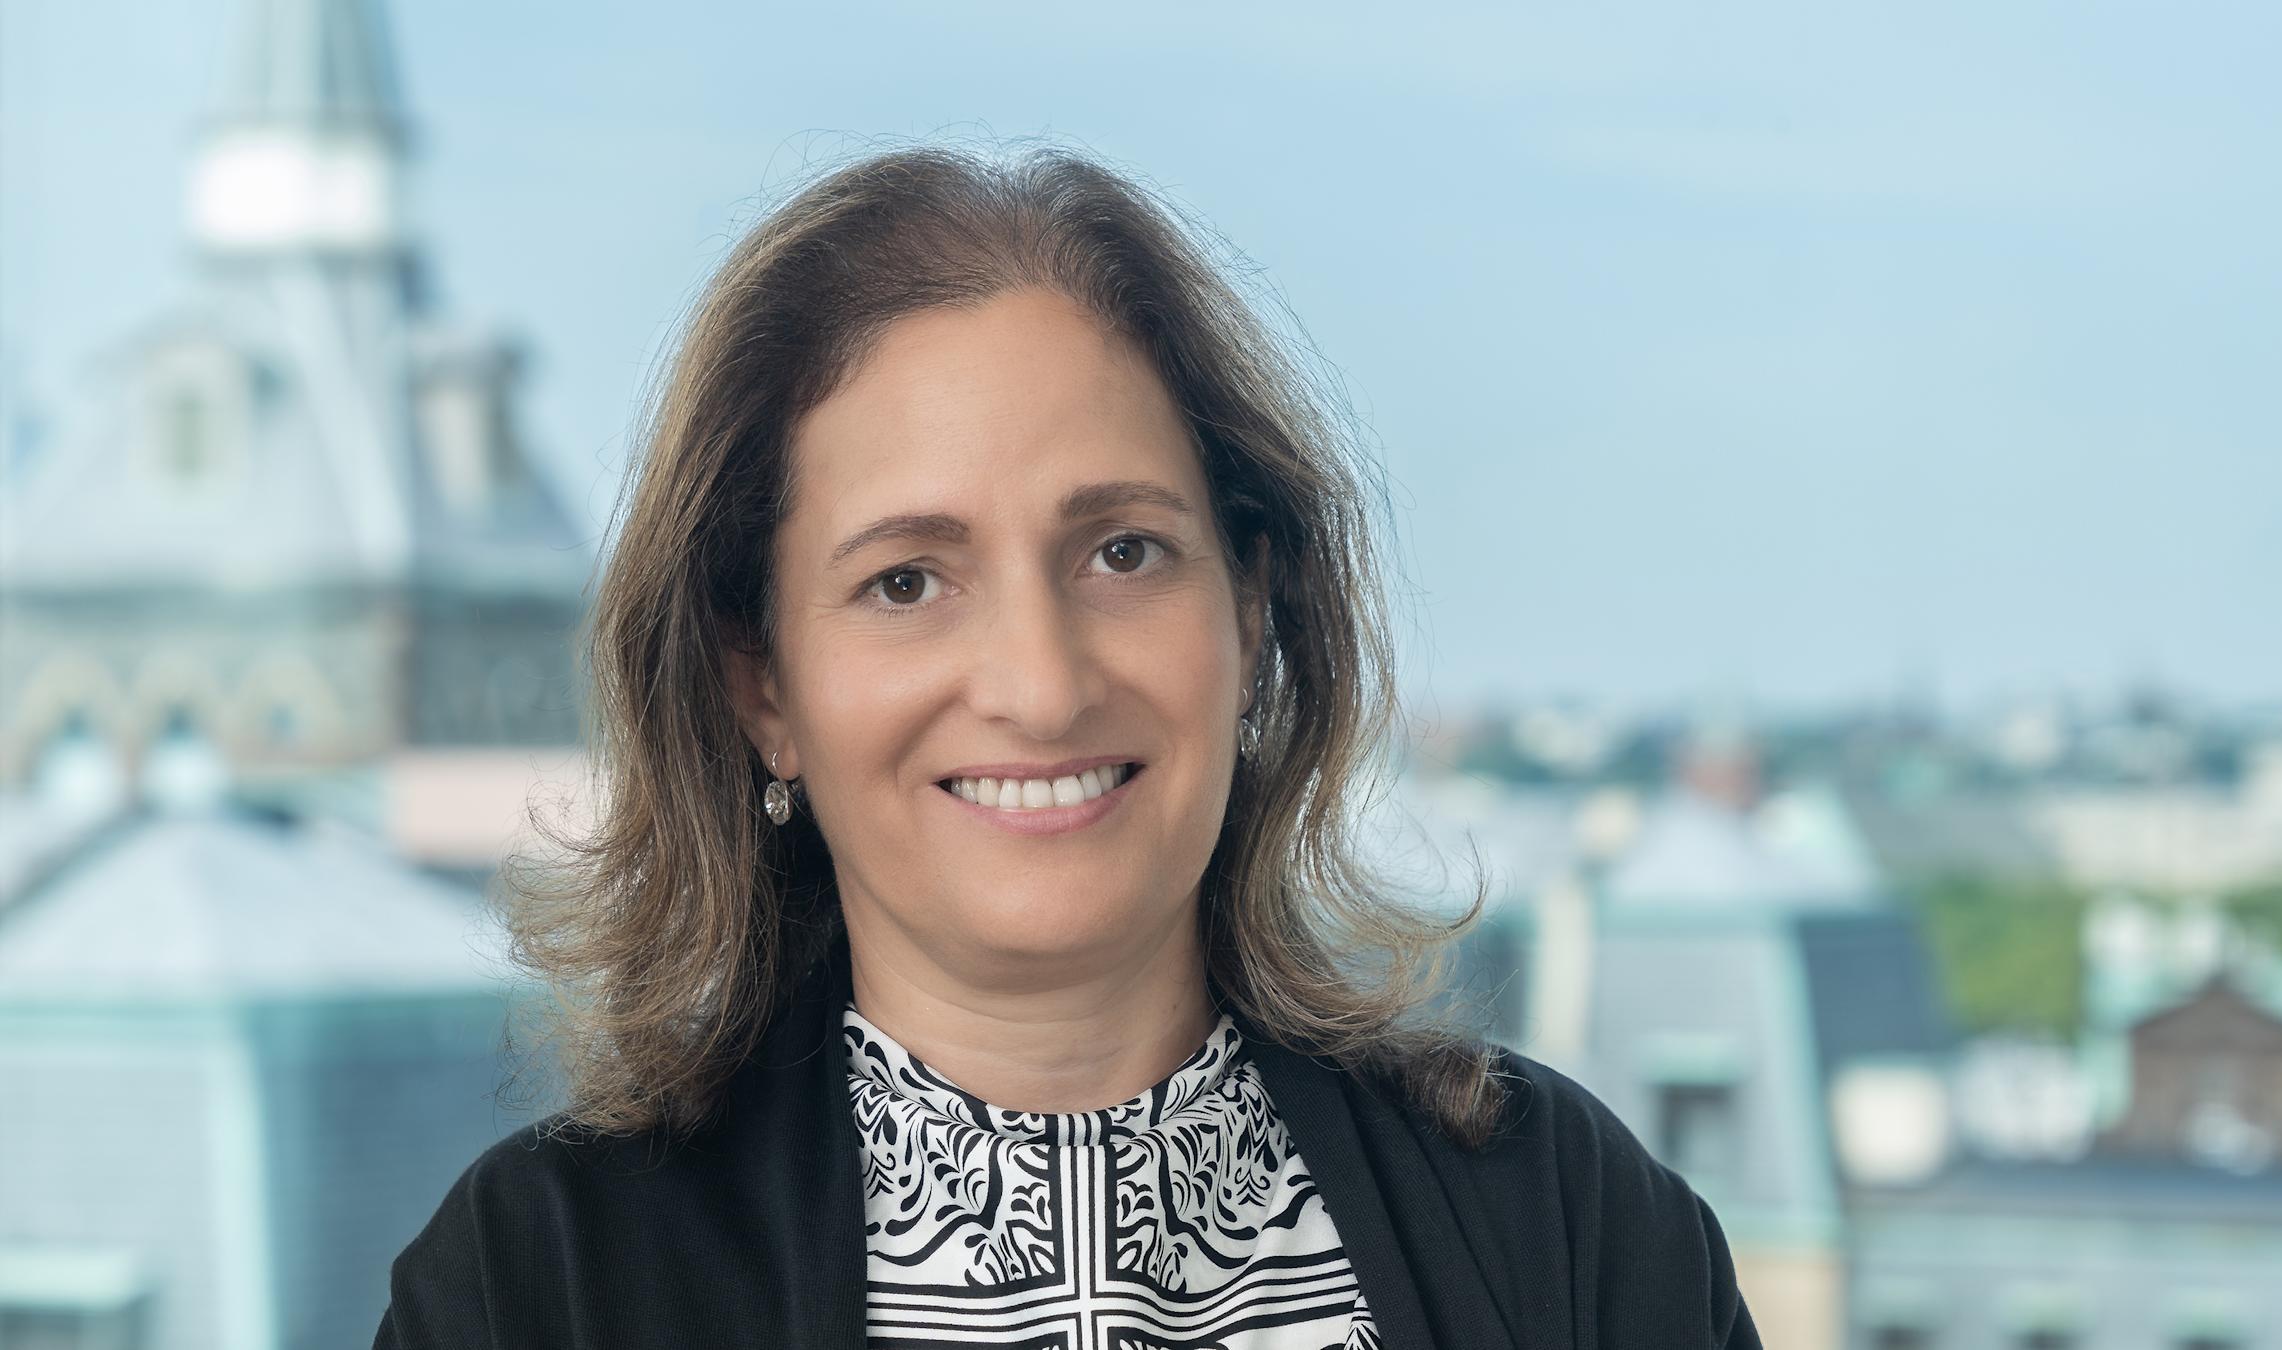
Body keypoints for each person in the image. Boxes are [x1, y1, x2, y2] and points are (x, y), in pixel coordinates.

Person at [375, 141, 1763, 1350]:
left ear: (1253, 610)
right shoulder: (537, 1290)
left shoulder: (1565, 1226)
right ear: (762, 685)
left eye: (1122, 550)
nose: (1040, 685)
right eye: (907, 580)